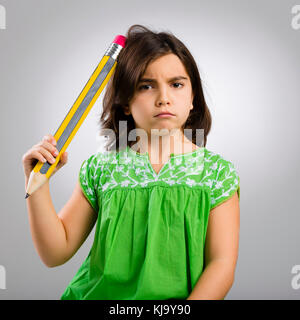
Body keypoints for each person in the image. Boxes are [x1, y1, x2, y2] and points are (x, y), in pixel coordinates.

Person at [22, 24, 240, 300]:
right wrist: (37, 184)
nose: (164, 98)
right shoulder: (101, 168)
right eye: (146, 86)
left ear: (193, 97)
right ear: (125, 102)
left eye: (176, 84)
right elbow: (55, 253)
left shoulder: (216, 173)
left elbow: (221, 266)